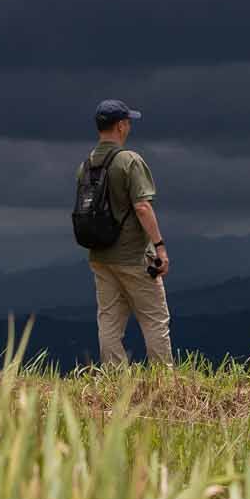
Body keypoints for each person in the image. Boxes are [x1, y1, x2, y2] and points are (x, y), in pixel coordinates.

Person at [77, 99, 174, 365]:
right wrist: (160, 246)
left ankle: (114, 381)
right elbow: (142, 206)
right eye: (128, 121)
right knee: (155, 319)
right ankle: (163, 383)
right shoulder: (129, 161)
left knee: (108, 321)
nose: (129, 126)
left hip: (99, 255)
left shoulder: (86, 165)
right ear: (120, 126)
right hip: (132, 256)